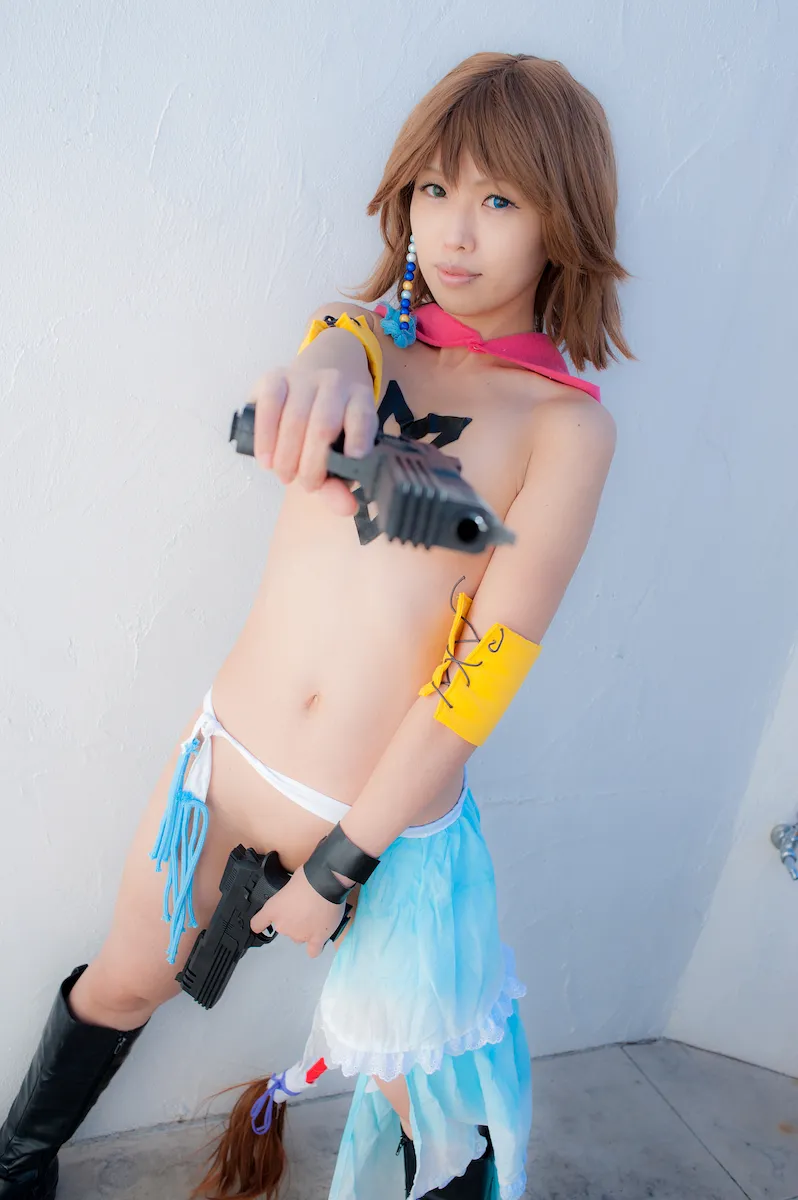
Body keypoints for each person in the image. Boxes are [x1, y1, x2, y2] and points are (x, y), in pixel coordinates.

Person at [0, 49, 632, 1200]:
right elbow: (342, 337)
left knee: (431, 1108)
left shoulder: (566, 430)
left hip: (388, 835)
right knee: (126, 983)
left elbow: (482, 679)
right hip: (220, 777)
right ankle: (16, 1160)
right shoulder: (360, 339)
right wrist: (334, 349)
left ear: (563, 220)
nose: (454, 231)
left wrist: (340, 867)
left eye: (499, 200)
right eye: (434, 189)